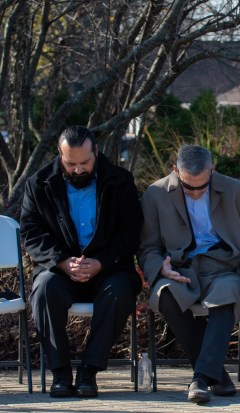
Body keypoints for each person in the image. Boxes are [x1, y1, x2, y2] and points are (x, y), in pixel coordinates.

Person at [20, 125, 143, 398]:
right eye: (70, 163)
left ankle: (89, 371)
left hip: (109, 269)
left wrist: (101, 262)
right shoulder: (38, 184)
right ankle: (60, 373)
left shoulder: (120, 181)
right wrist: (62, 261)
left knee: (121, 290)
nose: (77, 170)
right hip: (60, 270)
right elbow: (31, 233)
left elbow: (131, 231)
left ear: (96, 152)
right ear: (59, 155)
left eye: (84, 163)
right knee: (43, 290)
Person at [138, 144, 240, 404]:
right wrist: (160, 267)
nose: (195, 193)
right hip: (180, 270)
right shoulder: (155, 194)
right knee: (164, 295)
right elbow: (147, 247)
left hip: (224, 268)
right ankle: (213, 374)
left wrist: (238, 265)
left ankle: (200, 379)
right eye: (188, 186)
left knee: (226, 297)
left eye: (202, 186)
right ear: (175, 171)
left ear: (213, 170)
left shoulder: (237, 190)